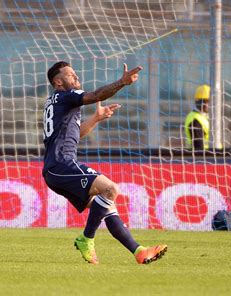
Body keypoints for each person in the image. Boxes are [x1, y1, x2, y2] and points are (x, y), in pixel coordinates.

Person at [42, 61, 167, 264]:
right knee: (110, 189)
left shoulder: (57, 102)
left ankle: (139, 252)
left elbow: (75, 134)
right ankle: (86, 238)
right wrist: (122, 82)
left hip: (56, 170)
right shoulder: (67, 96)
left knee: (107, 207)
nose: (76, 77)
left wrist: (95, 119)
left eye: (75, 73)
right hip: (61, 165)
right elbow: (96, 96)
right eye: (70, 75)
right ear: (58, 82)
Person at [184, 84, 210, 150]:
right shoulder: (195, 120)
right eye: (205, 101)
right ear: (199, 102)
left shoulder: (204, 117)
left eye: (208, 101)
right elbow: (198, 148)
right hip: (204, 158)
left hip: (212, 157)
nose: (207, 105)